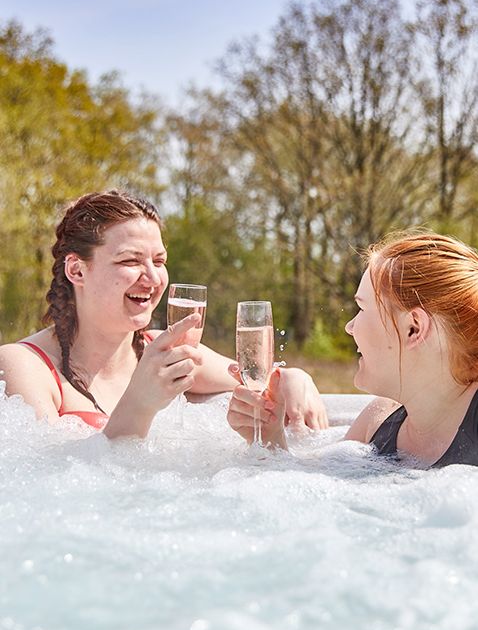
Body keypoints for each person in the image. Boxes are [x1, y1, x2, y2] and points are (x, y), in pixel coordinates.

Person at [0, 190, 327, 439]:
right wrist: (140, 404)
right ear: (77, 270)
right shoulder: (24, 366)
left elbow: (254, 378)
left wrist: (294, 379)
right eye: (130, 261)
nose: (153, 278)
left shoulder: (163, 349)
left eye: (158, 261)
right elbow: (47, 482)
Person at [227, 231, 478, 467]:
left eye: (362, 308)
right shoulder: (377, 422)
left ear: (413, 328)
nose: (349, 327)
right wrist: (269, 439)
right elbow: (309, 490)